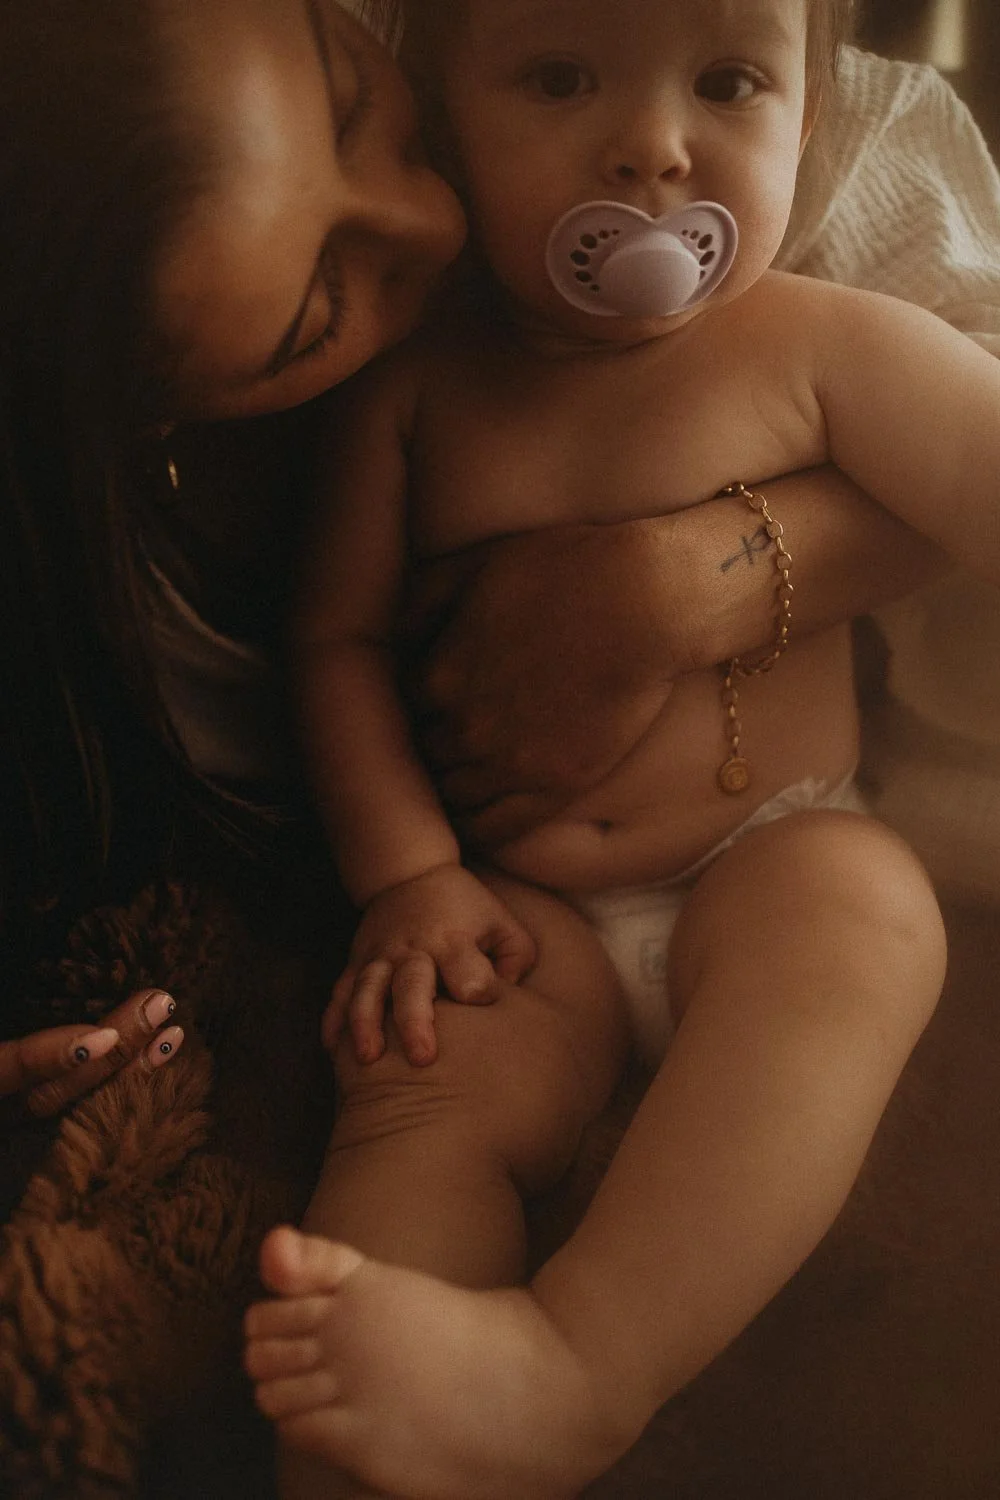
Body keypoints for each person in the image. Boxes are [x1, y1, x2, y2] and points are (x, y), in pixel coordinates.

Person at [0, 0, 985, 1489]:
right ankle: (377, 1416)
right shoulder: (411, 398)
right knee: (422, 1073)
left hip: (765, 844)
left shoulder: (821, 339)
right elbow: (337, 646)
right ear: (454, 90)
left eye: (729, 84)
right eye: (558, 79)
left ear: (815, 113)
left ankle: (584, 1361)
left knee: (861, 914)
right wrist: (410, 880)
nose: (653, 147)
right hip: (513, 912)